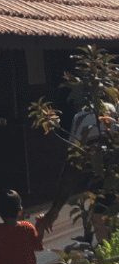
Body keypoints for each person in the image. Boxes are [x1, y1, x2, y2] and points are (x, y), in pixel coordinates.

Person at [40, 103, 117, 241]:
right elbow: (73, 166)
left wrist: (55, 209)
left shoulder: (82, 117)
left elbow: (73, 167)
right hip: (103, 197)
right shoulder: (106, 113)